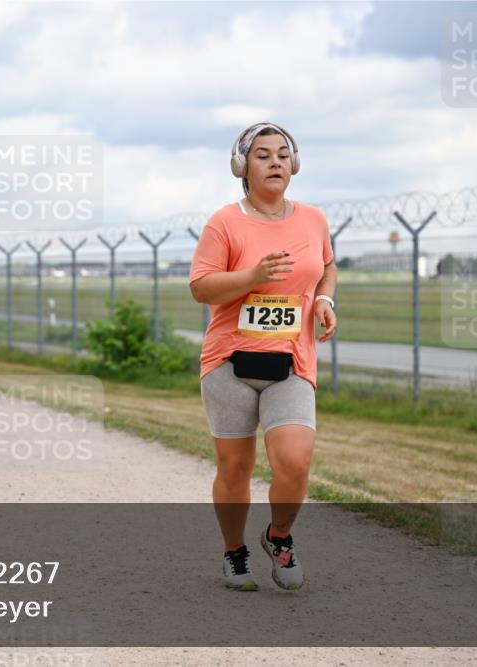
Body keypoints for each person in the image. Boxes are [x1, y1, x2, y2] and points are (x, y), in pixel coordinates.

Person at [189, 122, 337, 592]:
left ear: (294, 164)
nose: (275, 162)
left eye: (282, 154)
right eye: (262, 155)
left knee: (294, 462)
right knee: (236, 468)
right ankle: (235, 552)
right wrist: (252, 275)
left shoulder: (313, 219)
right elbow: (200, 286)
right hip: (229, 362)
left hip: (291, 362)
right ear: (242, 167)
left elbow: (327, 266)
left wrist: (325, 301)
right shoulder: (225, 222)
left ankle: (279, 536)